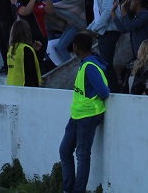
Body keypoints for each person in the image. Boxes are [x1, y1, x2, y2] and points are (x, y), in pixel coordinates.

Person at [59, 32, 110, 193]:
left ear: (76, 47)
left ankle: (77, 190)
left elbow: (104, 91)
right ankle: (68, 189)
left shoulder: (89, 66)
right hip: (78, 114)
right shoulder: (86, 64)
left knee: (82, 154)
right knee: (65, 150)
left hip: (88, 115)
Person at [6, 20, 42, 87]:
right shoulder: (26, 49)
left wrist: (35, 51)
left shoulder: (11, 49)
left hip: (11, 83)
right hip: (23, 85)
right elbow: (31, 71)